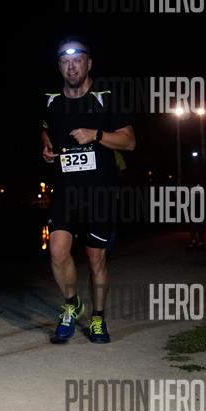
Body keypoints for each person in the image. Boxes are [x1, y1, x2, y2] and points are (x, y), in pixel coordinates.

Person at [41, 36, 135, 344]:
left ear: (89, 64)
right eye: (65, 62)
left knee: (96, 258)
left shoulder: (106, 97)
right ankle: (71, 305)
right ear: (59, 66)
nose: (72, 67)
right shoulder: (51, 100)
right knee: (57, 251)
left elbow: (129, 142)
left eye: (77, 60)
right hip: (65, 190)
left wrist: (96, 134)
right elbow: (46, 129)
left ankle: (97, 317)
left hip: (99, 193)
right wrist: (47, 147)